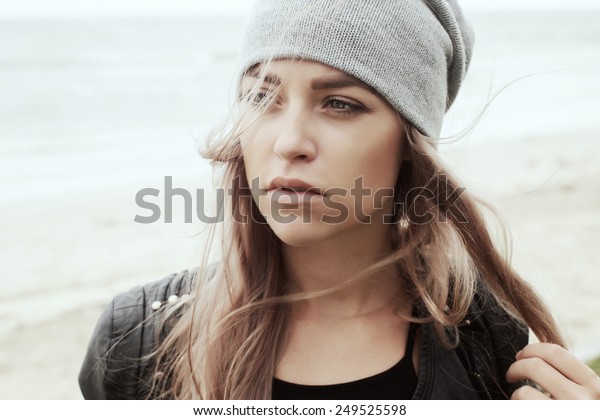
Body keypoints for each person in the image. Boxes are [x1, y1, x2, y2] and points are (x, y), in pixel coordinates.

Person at [79, 0, 600, 400]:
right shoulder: (137, 342)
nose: (289, 142)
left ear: (408, 144)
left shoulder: (491, 346)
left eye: (340, 104)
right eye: (263, 96)